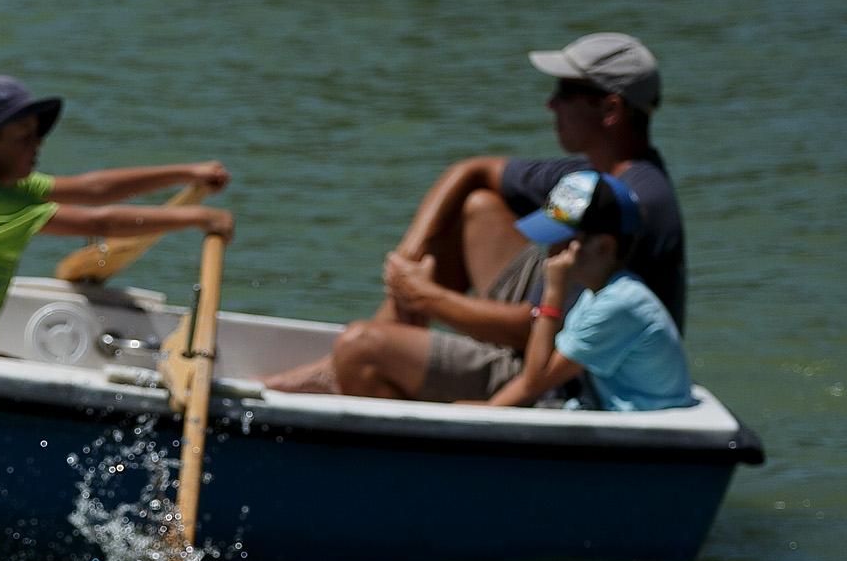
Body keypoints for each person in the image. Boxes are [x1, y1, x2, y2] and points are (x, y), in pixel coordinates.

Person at [263, 32, 686, 402]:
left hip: (559, 373)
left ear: (610, 109)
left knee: (362, 347)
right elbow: (471, 171)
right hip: (546, 308)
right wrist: (411, 254)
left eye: (565, 92)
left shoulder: (632, 202)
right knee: (477, 208)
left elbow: (538, 330)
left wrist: (426, 298)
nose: (550, 103)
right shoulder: (584, 180)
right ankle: (348, 368)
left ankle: (363, 368)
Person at [0, 73, 232, 352]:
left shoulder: (6, 186)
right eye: (24, 138)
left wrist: (188, 173)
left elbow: (94, 189)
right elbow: (100, 222)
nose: (38, 145)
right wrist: (198, 218)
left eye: (37, 135)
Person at [466, 168, 694, 411]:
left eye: (560, 239)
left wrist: (552, 292)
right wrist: (487, 409)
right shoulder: (596, 295)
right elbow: (535, 379)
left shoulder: (619, 304)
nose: (549, 249)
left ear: (604, 247)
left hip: (651, 430)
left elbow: (537, 379)